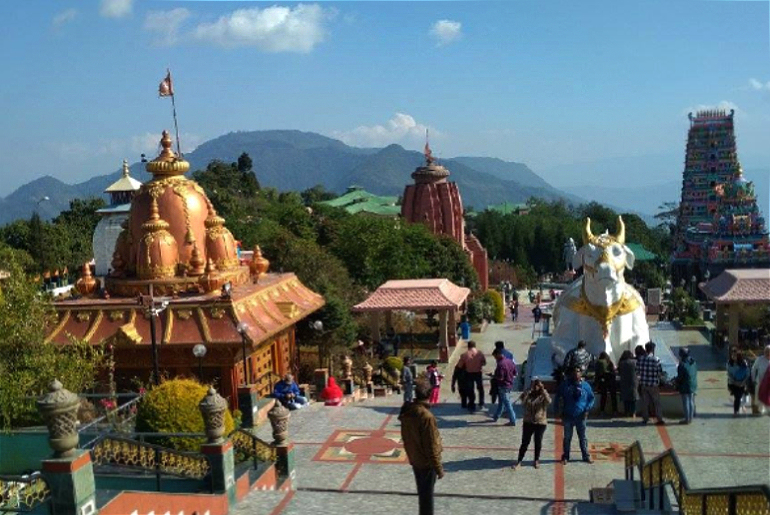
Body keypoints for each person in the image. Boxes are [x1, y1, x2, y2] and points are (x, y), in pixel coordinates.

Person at [399, 378, 444, 515]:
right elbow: (431, 445)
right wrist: (438, 468)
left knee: (423, 497)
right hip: (426, 463)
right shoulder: (426, 417)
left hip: (415, 459)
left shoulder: (408, 412)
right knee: (427, 499)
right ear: (429, 395)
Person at [512, 378, 551, 470]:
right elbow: (523, 403)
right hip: (528, 422)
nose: (536, 387)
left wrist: (543, 390)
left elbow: (549, 401)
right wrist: (527, 392)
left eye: (538, 385)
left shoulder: (543, 396)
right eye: (534, 385)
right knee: (525, 442)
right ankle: (519, 461)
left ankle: (536, 460)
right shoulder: (528, 394)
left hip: (540, 422)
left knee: (538, 442)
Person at [559, 367, 595, 464]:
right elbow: (559, 398)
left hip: (581, 415)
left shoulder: (585, 385)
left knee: (582, 437)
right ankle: (566, 456)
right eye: (574, 372)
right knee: (567, 437)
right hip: (568, 415)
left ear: (581, 373)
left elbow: (591, 398)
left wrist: (587, 409)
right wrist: (559, 411)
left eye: (578, 372)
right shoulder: (565, 385)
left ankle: (585, 455)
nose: (576, 374)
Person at [637, 342, 665, 425]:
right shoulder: (656, 359)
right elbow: (660, 372)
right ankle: (659, 418)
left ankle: (645, 418)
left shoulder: (641, 359)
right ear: (653, 349)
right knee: (656, 402)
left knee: (645, 402)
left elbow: (637, 371)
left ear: (646, 349)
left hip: (644, 384)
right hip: (653, 384)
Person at [491, 348, 517, 425]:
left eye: (495, 357)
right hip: (510, 385)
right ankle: (496, 416)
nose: (495, 359)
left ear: (498, 355)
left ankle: (513, 420)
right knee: (501, 402)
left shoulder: (500, 364)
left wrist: (493, 376)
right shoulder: (510, 361)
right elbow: (515, 373)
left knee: (507, 403)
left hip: (503, 386)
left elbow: (500, 377)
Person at [458, 340, 486, 411]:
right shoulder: (480, 353)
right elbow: (484, 363)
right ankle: (481, 403)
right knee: (480, 388)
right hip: (478, 372)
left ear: (468, 346)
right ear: (475, 346)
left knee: (470, 389)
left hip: (469, 373)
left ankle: (472, 404)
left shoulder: (464, 354)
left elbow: (460, 365)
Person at [675, 348, 698, 424]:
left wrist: (676, 382)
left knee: (686, 402)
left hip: (685, 385)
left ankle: (687, 419)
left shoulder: (682, 365)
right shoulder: (693, 362)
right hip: (693, 384)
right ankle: (691, 418)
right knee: (691, 401)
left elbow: (680, 377)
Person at [727, 349, 750, 416]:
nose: (733, 357)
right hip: (733, 383)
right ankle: (736, 411)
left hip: (742, 383)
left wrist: (742, 382)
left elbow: (747, 373)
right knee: (737, 396)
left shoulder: (744, 363)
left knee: (738, 396)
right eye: (732, 355)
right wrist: (734, 382)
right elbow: (729, 374)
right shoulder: (729, 363)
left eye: (735, 355)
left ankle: (737, 410)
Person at [617, 350, 639, 417]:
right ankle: (633, 412)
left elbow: (619, 372)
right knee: (633, 397)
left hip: (624, 382)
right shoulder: (635, 362)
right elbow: (638, 371)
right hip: (633, 381)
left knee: (625, 398)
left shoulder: (621, 363)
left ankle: (626, 412)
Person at [751, 345, 770, 414]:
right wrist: (753, 379)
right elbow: (753, 369)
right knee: (759, 398)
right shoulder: (759, 359)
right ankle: (760, 410)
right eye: (766, 351)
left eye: (769, 352)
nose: (767, 353)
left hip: (769, 384)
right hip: (759, 382)